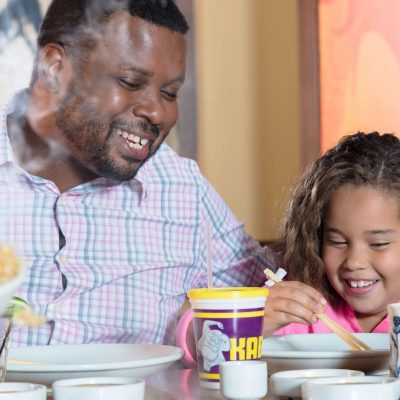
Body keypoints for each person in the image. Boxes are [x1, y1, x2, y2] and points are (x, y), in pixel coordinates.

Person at [1, 0, 273, 347]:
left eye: (170, 93)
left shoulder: (182, 190)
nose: (156, 112)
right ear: (55, 69)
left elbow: (268, 288)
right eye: (130, 81)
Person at [263, 131, 400, 336]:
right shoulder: (299, 308)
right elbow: (203, 342)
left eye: (378, 244)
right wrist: (249, 323)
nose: (354, 262)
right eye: (337, 241)